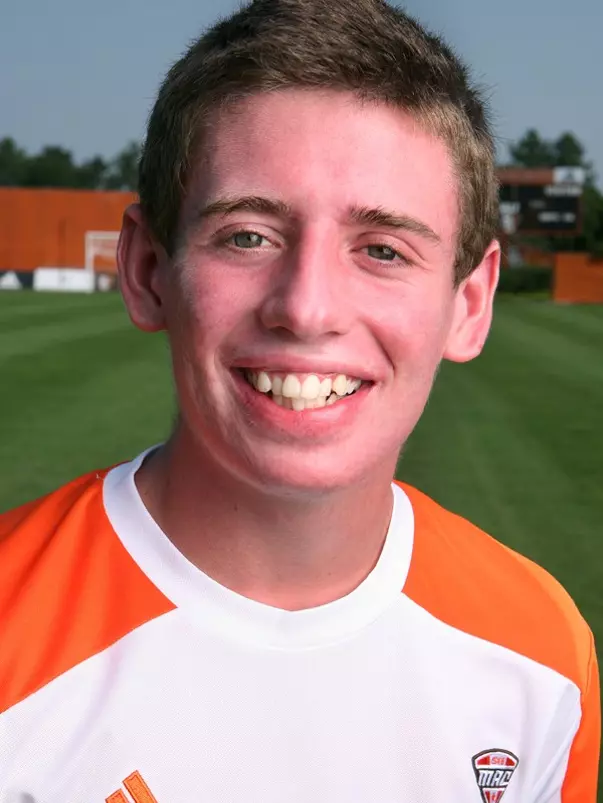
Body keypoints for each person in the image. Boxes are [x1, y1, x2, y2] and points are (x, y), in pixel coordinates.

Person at [0, 0, 599, 800]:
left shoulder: (540, 650)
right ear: (146, 271)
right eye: (247, 235)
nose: (307, 307)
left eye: (382, 249)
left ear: (470, 303)